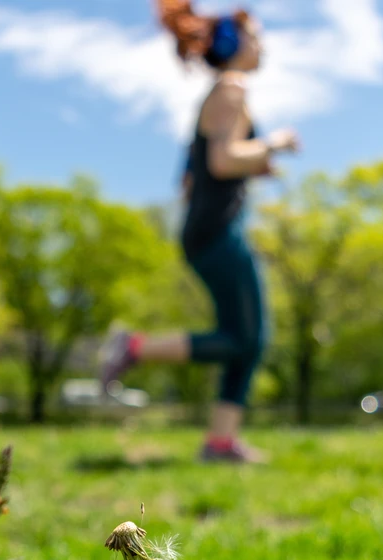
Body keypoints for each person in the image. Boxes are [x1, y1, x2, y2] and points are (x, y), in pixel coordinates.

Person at [99, 0, 300, 464]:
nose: (262, 43)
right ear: (235, 46)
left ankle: (221, 442)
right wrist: (277, 143)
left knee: (243, 338)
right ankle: (135, 347)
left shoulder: (220, 93)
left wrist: (258, 162)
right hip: (217, 230)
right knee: (248, 338)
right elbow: (224, 160)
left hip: (209, 228)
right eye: (255, 36)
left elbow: (203, 171)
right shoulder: (232, 89)